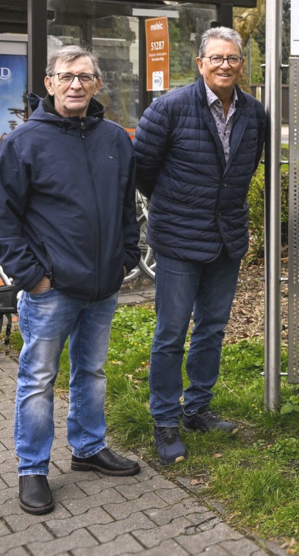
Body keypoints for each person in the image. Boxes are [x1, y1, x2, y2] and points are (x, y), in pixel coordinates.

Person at [0, 46, 141, 515]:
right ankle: (32, 469)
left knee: (92, 371)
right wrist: (31, 277)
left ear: (97, 84)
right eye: (66, 76)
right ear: (50, 83)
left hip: (103, 284)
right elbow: (4, 219)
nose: (75, 85)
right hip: (51, 288)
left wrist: (126, 257)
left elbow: (126, 205)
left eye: (84, 77)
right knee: (38, 379)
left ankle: (88, 448)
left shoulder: (114, 138)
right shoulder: (24, 142)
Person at [134, 26, 266, 465]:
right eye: (216, 58)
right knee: (171, 333)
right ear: (200, 63)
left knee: (212, 329)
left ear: (241, 64)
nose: (225, 65)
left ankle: (197, 410)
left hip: (227, 239)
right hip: (178, 238)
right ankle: (165, 420)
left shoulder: (255, 113)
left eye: (232, 58)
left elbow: (246, 168)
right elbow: (143, 171)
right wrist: (180, 207)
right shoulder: (169, 108)